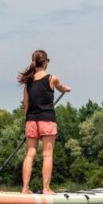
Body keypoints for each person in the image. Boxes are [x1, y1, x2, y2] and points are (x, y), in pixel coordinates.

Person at [17, 50, 71, 195]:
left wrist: (27, 120)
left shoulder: (28, 82)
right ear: (45, 61)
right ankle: (46, 189)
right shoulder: (51, 78)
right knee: (47, 154)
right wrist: (67, 89)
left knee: (30, 153)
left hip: (31, 120)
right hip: (47, 119)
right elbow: (62, 88)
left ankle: (25, 188)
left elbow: (26, 105)